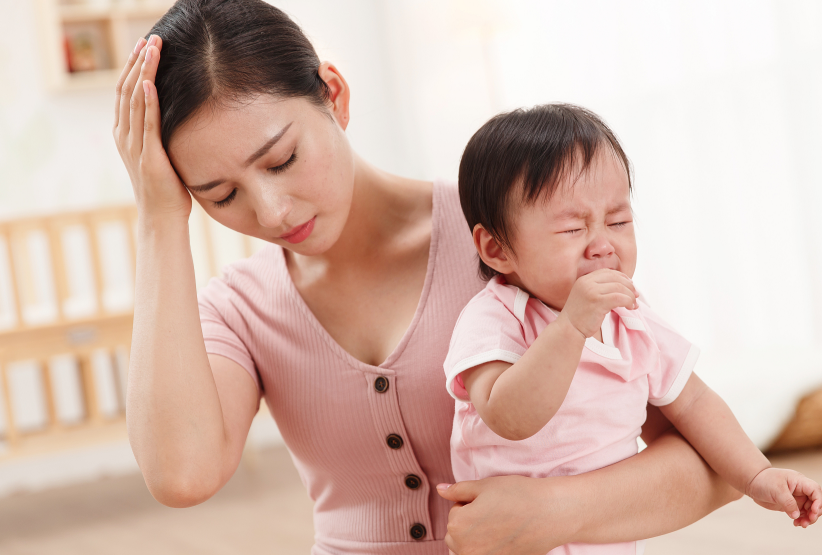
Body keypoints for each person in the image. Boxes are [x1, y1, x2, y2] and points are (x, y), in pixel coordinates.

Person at [113, 1, 742, 553]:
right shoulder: (238, 308)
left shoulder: (506, 243)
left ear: (335, 95)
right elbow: (181, 474)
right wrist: (158, 219)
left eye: (283, 159)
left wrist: (555, 512)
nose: (272, 212)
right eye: (221, 195)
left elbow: (710, 465)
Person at [445, 104, 822, 554]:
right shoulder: (496, 318)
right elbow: (509, 417)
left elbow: (695, 401)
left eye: (619, 221)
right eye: (572, 228)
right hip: (511, 538)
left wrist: (758, 475)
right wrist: (570, 327)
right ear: (496, 248)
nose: (603, 244)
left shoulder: (630, 318)